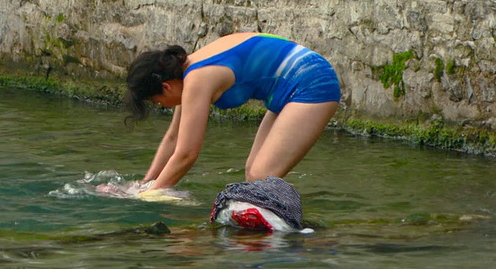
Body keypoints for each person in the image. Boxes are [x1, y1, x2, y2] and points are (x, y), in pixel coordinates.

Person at [124, 32, 340, 190]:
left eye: (157, 101)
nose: (161, 106)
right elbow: (173, 138)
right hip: (288, 86)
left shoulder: (197, 79)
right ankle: (278, 232)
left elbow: (186, 154)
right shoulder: (189, 73)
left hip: (311, 81)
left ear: (166, 86)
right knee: (254, 176)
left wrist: (153, 195)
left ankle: (303, 237)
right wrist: (146, 182)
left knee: (261, 176)